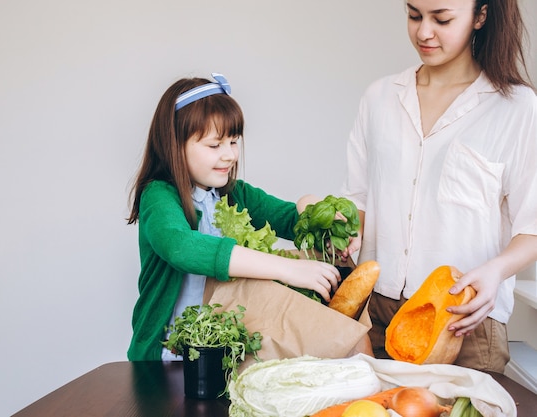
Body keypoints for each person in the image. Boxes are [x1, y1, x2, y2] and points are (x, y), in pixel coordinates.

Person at [337, 0, 537, 373]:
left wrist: (496, 271)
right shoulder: (379, 98)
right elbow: (358, 199)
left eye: (441, 19)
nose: (423, 32)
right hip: (375, 315)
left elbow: (532, 228)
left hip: (464, 321)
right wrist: (348, 228)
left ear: (480, 16)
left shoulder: (517, 108)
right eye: (414, 15)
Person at [126, 73, 350, 361]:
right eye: (214, 145)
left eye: (234, 141)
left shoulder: (234, 193)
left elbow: (288, 219)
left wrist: (310, 205)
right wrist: (286, 268)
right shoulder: (158, 195)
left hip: (221, 352)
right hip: (167, 356)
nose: (230, 155)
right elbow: (180, 246)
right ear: (175, 145)